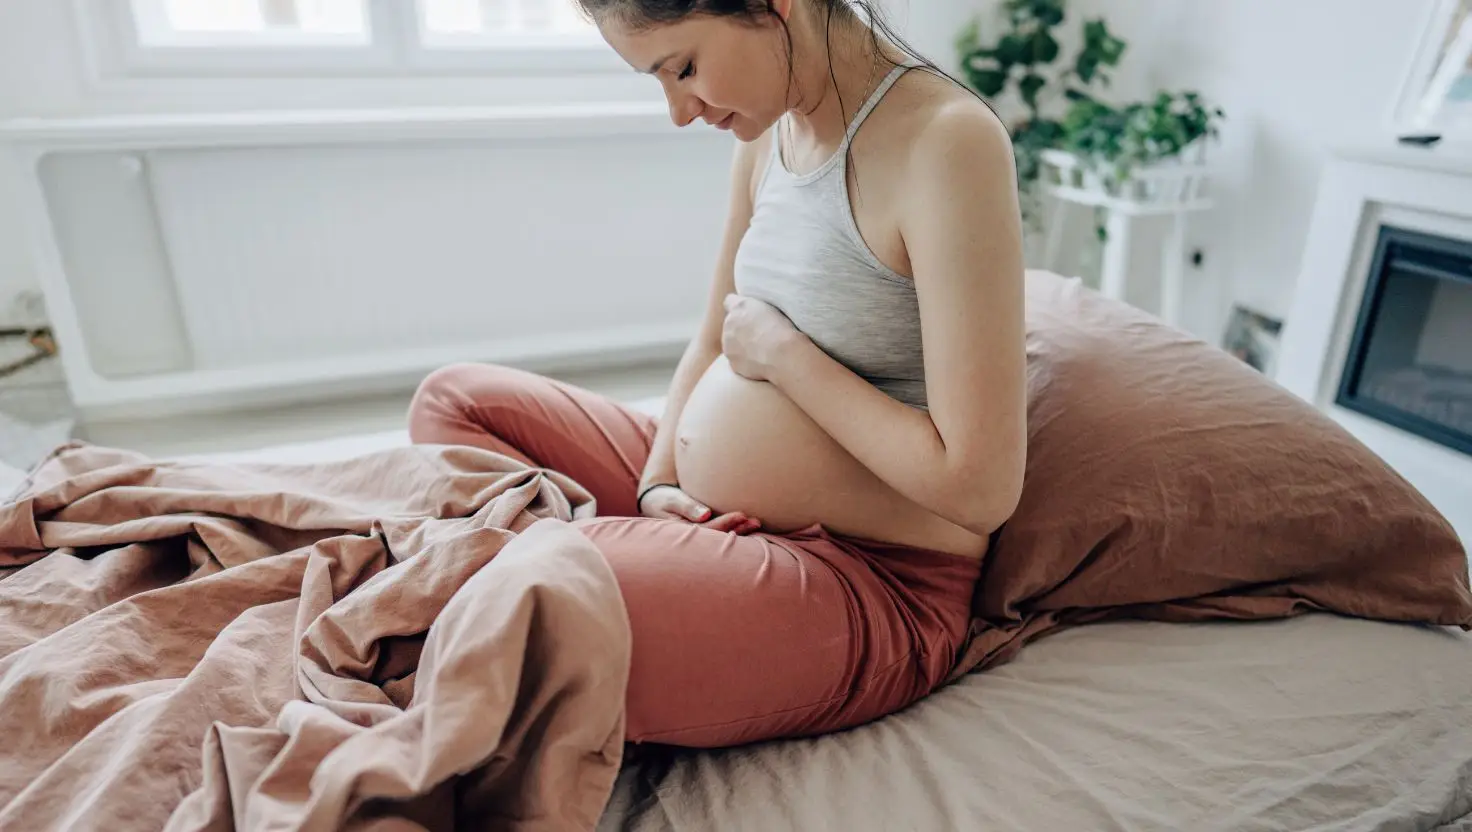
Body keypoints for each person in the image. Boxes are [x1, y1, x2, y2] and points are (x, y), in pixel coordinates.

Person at [408, 0, 1026, 749]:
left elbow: (981, 488)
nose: (677, 111)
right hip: (712, 509)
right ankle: (635, 563)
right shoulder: (768, 136)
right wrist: (657, 483)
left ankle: (590, 575)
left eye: (685, 67)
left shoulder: (948, 142)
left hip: (867, 575)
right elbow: (710, 341)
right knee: (455, 404)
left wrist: (786, 360)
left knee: (537, 595)